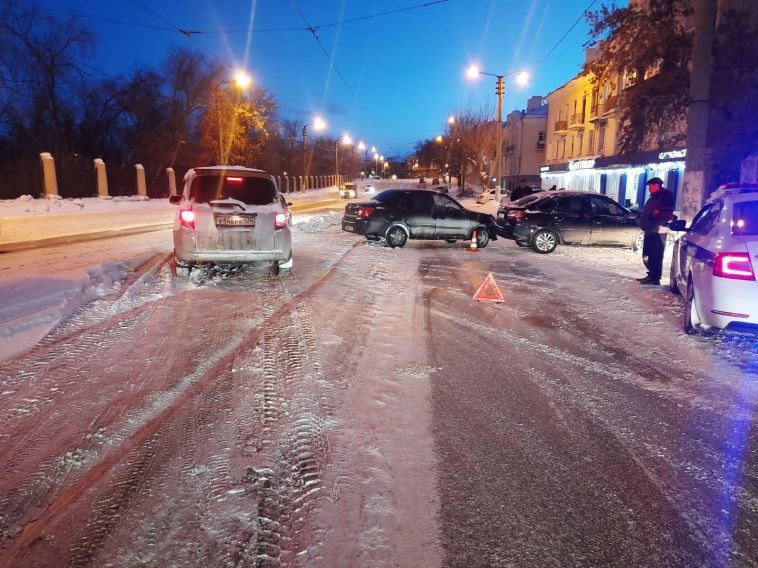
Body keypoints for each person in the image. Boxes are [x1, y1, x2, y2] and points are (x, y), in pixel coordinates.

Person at [637, 177, 675, 285]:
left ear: (659, 185)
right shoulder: (653, 197)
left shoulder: (665, 196)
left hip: (658, 230)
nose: (650, 187)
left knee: (656, 254)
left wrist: (655, 223)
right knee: (647, 254)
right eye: (649, 186)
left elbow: (666, 215)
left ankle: (655, 277)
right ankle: (651, 274)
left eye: (653, 185)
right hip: (650, 230)